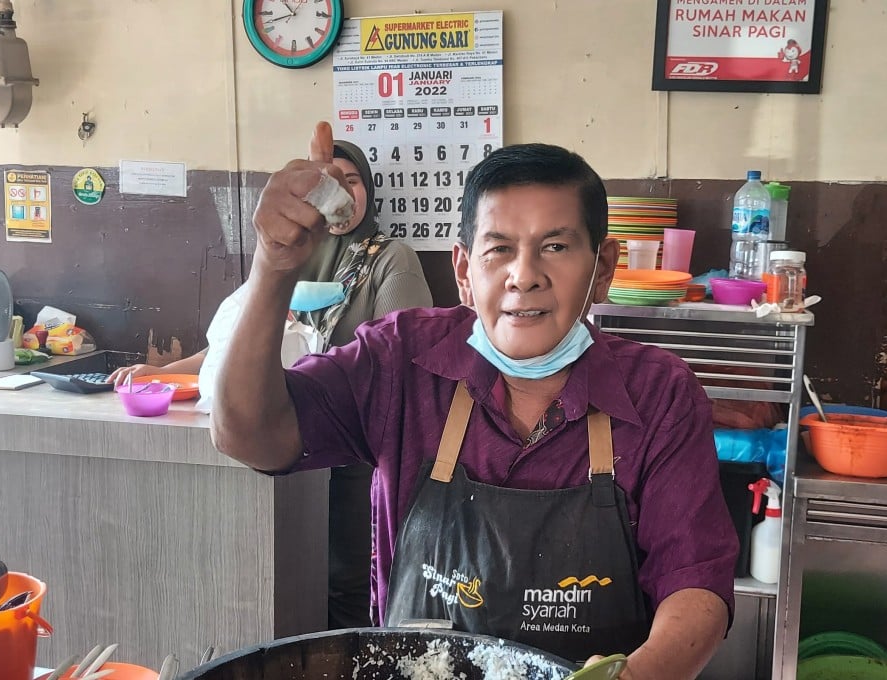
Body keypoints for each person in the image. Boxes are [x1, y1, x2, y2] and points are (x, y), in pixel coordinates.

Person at [212, 121, 738, 678]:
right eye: (500, 250)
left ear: (602, 268)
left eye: (555, 247)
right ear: (463, 271)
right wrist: (273, 267)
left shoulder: (659, 393)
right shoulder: (401, 360)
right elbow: (250, 435)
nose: (524, 276)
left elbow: (696, 587)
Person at [110, 137, 432, 630]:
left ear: (367, 191)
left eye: (352, 182)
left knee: (345, 581)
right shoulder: (288, 251)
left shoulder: (390, 259)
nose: (341, 192)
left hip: (353, 457)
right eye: (329, 182)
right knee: (286, 587)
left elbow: (404, 363)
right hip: (282, 446)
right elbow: (238, 345)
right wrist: (162, 373)